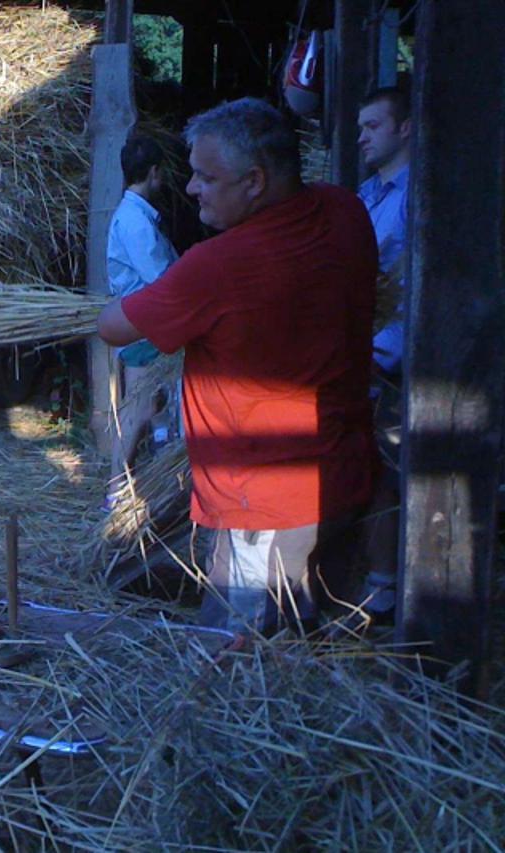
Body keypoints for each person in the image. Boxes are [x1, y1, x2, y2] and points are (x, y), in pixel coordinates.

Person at [96, 98, 378, 635]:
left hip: (262, 494)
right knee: (305, 627)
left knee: (239, 648)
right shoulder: (345, 212)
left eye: (206, 177)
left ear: (254, 181)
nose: (193, 188)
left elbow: (114, 325)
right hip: (339, 469)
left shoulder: (220, 265)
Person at [355, 84, 412, 620]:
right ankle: (376, 583)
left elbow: (412, 286)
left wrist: (379, 353)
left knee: (391, 469)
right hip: (368, 347)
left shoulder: (421, 197)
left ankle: (387, 590)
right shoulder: (371, 192)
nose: (362, 137)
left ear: (405, 128)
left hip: (398, 355)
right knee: (371, 467)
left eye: (373, 126)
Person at [105, 134, 179, 485]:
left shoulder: (138, 216)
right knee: (138, 410)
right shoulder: (135, 222)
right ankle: (117, 485)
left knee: (156, 406)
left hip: (144, 323)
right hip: (143, 325)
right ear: (153, 172)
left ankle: (153, 475)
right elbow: (159, 277)